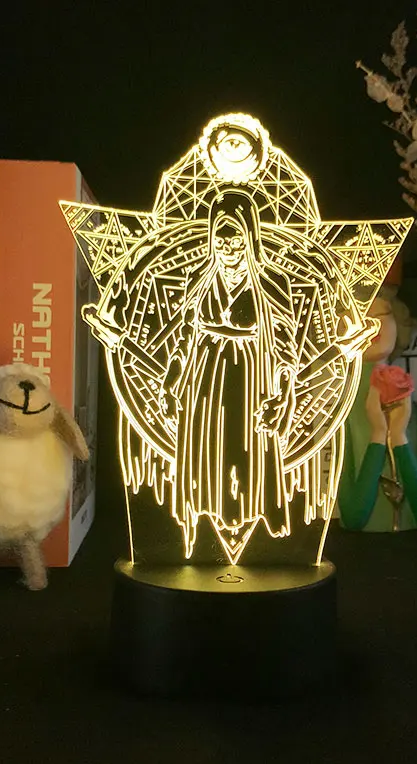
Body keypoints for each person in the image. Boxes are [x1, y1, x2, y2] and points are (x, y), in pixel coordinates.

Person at [159, 189, 299, 560]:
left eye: (235, 236)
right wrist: (171, 385)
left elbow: (287, 351)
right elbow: (183, 341)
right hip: (204, 382)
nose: (228, 246)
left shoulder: (271, 284)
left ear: (250, 235)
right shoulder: (198, 280)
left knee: (246, 455)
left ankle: (253, 535)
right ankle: (203, 531)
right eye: (220, 237)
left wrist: (282, 395)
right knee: (205, 457)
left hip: (251, 382)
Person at [338, 288, 417, 531]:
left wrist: (399, 437)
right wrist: (378, 435)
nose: (372, 325)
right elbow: (353, 518)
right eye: (358, 317)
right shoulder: (343, 416)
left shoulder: (415, 415)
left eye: (382, 315)